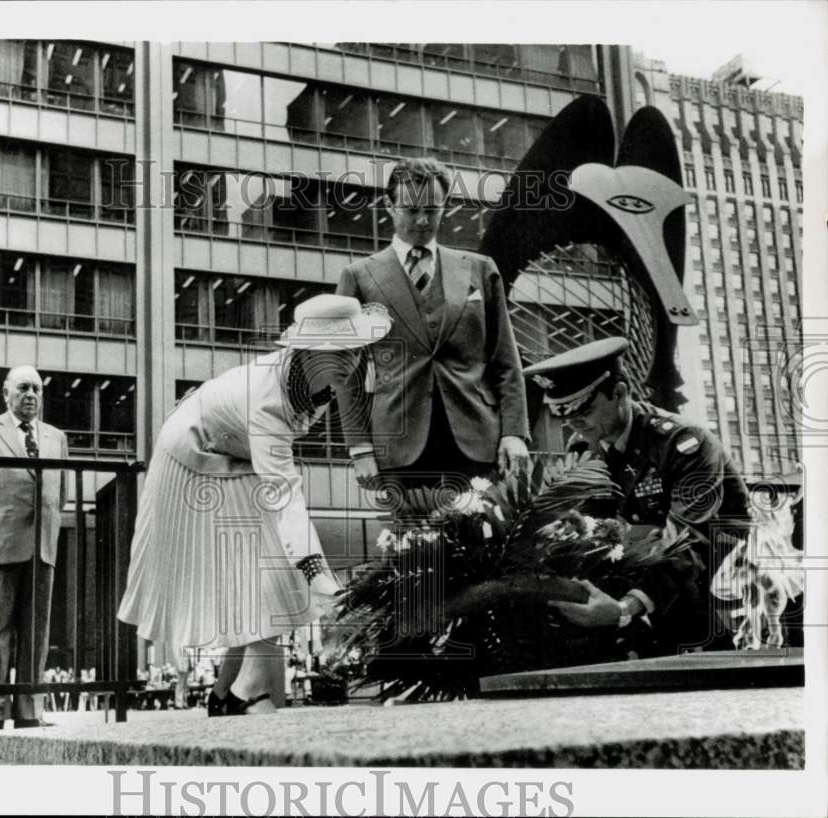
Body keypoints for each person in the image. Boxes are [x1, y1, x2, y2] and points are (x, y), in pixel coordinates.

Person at [118, 295, 392, 715]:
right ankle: (249, 691)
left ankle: (225, 693)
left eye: (358, 349)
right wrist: (324, 582)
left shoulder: (313, 382)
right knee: (273, 566)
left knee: (268, 569)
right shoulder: (269, 404)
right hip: (190, 455)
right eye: (343, 351)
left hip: (233, 452)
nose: (355, 362)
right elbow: (287, 501)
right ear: (310, 353)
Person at [523, 337, 752, 654]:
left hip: (718, 579)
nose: (572, 423)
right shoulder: (585, 448)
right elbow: (593, 530)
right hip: (650, 577)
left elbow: (689, 540)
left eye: (584, 409)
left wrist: (625, 608)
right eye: (562, 414)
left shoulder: (683, 443)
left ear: (619, 393)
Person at [335, 157, 529, 502]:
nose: (423, 221)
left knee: (486, 549)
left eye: (432, 209)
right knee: (412, 551)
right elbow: (345, 371)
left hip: (478, 442)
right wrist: (360, 447)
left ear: (445, 207)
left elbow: (505, 359)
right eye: (411, 210)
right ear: (389, 207)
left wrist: (514, 433)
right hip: (398, 445)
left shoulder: (480, 270)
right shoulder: (359, 277)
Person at [0, 365, 69, 729]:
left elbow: (59, 496)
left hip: (42, 546)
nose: (31, 395)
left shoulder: (56, 437)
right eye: (23, 388)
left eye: (37, 389)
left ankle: (30, 712)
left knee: (37, 631)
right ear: (6, 393)